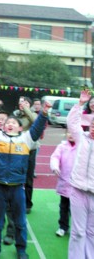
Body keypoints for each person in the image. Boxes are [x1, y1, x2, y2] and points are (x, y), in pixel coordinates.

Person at [0, 93, 50, 259]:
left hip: (17, 188)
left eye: (14, 123)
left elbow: (37, 127)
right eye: (8, 122)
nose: (10, 124)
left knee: (20, 222)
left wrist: (44, 113)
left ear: (20, 127)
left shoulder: (26, 139)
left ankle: (21, 250)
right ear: (3, 127)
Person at [67, 89, 94, 259]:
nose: (93, 129)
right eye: (93, 126)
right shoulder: (81, 138)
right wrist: (80, 104)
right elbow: (72, 121)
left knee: (92, 233)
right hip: (78, 190)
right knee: (78, 232)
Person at [50, 130, 76, 237]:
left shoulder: (82, 146)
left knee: (76, 208)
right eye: (69, 132)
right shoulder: (62, 146)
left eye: (74, 132)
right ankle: (63, 227)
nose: (71, 135)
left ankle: (76, 228)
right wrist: (55, 167)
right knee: (64, 206)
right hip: (65, 182)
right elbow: (55, 157)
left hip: (78, 185)